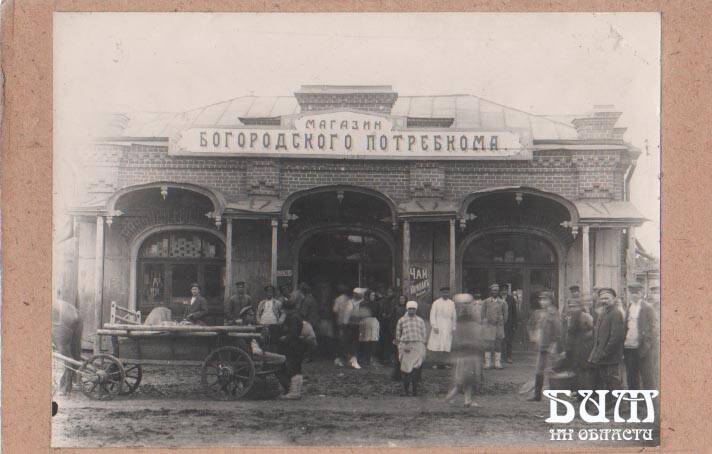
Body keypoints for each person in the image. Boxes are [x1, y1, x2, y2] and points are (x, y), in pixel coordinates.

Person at [588, 288, 626, 409]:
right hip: (602, 354)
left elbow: (616, 337)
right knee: (606, 381)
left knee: (614, 381)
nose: (604, 301)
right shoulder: (603, 313)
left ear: (614, 299)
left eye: (607, 298)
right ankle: (609, 405)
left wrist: (606, 352)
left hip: (611, 355)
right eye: (602, 298)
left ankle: (619, 406)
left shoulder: (616, 313)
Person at [445, 294, 484, 407]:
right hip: (464, 354)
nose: (465, 307)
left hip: (472, 353)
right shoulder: (461, 322)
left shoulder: (471, 321)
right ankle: (449, 397)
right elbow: (458, 339)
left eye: (467, 304)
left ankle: (468, 400)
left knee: (470, 379)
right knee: (462, 379)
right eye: (463, 305)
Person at [623, 282, 659, 391]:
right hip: (629, 348)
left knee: (647, 378)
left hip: (643, 349)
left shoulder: (647, 308)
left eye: (636, 292)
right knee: (631, 377)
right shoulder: (629, 307)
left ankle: (650, 404)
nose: (634, 295)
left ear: (641, 293)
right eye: (632, 293)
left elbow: (653, 329)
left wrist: (647, 345)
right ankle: (634, 402)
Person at [527, 291, 562, 401]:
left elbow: (558, 331)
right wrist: (533, 336)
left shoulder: (554, 313)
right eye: (541, 300)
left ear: (551, 301)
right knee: (539, 370)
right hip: (541, 345)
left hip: (549, 346)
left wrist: (554, 344)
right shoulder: (539, 313)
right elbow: (531, 325)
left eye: (545, 299)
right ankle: (537, 395)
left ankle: (554, 396)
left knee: (551, 370)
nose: (543, 302)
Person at [275, 294, 307, 400]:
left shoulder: (293, 318)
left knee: (293, 368)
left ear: (287, 309)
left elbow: (293, 333)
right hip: (296, 345)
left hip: (294, 346)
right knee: (296, 368)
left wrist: (285, 338)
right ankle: (296, 391)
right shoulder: (295, 316)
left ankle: (294, 392)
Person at [395, 301, 428, 396]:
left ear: (416, 310)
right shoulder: (401, 320)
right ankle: (406, 390)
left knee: (416, 369)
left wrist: (422, 345)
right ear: (407, 309)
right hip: (405, 345)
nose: (411, 311)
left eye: (413, 309)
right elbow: (398, 335)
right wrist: (401, 347)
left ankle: (415, 391)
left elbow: (424, 334)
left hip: (417, 345)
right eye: (410, 309)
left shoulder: (420, 320)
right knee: (406, 369)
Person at [427, 286, 457, 369]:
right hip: (438, 326)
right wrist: (434, 326)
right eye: (444, 292)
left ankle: (445, 363)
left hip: (448, 326)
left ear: (449, 293)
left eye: (447, 292)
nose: (445, 294)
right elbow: (432, 315)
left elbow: (454, 316)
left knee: (446, 346)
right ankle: (437, 363)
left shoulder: (451, 303)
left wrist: (453, 327)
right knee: (437, 345)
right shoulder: (436, 302)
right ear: (441, 293)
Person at [333, 285, 359, 368]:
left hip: (341, 322)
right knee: (349, 341)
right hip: (349, 323)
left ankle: (341, 359)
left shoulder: (338, 300)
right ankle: (350, 359)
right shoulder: (350, 300)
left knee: (341, 341)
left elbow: (335, 310)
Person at [482, 283, 506, 369]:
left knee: (498, 344)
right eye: (493, 290)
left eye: (496, 290)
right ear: (490, 291)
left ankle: (497, 363)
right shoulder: (486, 302)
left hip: (498, 326)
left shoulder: (503, 302)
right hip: (488, 326)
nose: (495, 292)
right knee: (488, 345)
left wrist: (500, 322)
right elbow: (482, 315)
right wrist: (486, 322)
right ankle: (488, 363)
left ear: (498, 292)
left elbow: (505, 316)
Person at [359, 289, 381, 366]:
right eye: (371, 295)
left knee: (374, 339)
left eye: (374, 295)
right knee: (366, 340)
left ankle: (372, 357)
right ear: (368, 296)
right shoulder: (363, 304)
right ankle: (366, 358)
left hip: (374, 321)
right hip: (366, 321)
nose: (373, 297)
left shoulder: (377, 304)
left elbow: (378, 313)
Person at [257, 285, 283, 349]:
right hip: (263, 324)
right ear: (266, 292)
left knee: (273, 342)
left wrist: (280, 321)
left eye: (271, 291)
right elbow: (258, 313)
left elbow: (283, 313)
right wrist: (259, 321)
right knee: (263, 341)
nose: (269, 292)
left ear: (273, 293)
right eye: (268, 291)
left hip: (273, 324)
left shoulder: (277, 302)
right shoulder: (262, 303)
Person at [390, 294, 408, 380]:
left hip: (405, 330)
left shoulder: (407, 309)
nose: (401, 300)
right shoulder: (395, 308)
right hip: (397, 330)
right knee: (397, 349)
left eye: (403, 299)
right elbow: (392, 319)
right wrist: (392, 329)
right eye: (400, 299)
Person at [378, 287, 397, 364]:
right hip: (385, 324)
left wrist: (389, 315)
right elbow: (381, 310)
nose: (389, 293)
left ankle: (391, 358)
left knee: (392, 342)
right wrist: (383, 314)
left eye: (390, 291)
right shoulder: (383, 300)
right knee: (385, 341)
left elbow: (394, 312)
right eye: (388, 291)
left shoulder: (395, 301)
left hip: (392, 323)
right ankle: (385, 358)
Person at [500, 286, 518, 364]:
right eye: (502, 290)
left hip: (509, 323)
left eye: (505, 290)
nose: (504, 292)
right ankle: (501, 357)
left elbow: (514, 313)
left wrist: (515, 324)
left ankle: (509, 357)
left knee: (508, 341)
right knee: (500, 341)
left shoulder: (511, 299)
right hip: (499, 323)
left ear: (507, 291)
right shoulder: (497, 299)